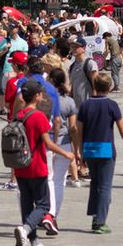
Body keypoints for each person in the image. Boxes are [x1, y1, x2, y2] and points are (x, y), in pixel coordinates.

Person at [11, 80, 74, 246]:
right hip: (37, 165)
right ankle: (25, 230)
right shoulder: (38, 116)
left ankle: (34, 243)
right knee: (44, 204)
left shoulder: (19, 115)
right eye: (40, 93)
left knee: (26, 205)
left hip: (20, 166)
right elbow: (47, 143)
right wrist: (66, 154)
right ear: (37, 96)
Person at [75, 72, 123, 234]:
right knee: (105, 186)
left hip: (89, 149)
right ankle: (100, 222)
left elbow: (78, 129)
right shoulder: (111, 105)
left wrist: (79, 150)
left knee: (95, 183)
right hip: (106, 149)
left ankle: (95, 216)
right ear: (109, 88)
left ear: (94, 86)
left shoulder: (85, 105)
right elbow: (122, 128)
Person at [44, 66, 78, 235]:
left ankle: (46, 213)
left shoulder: (45, 99)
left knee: (48, 179)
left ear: (51, 80)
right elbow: (73, 128)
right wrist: (76, 148)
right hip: (65, 143)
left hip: (48, 141)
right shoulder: (69, 101)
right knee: (59, 181)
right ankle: (53, 215)